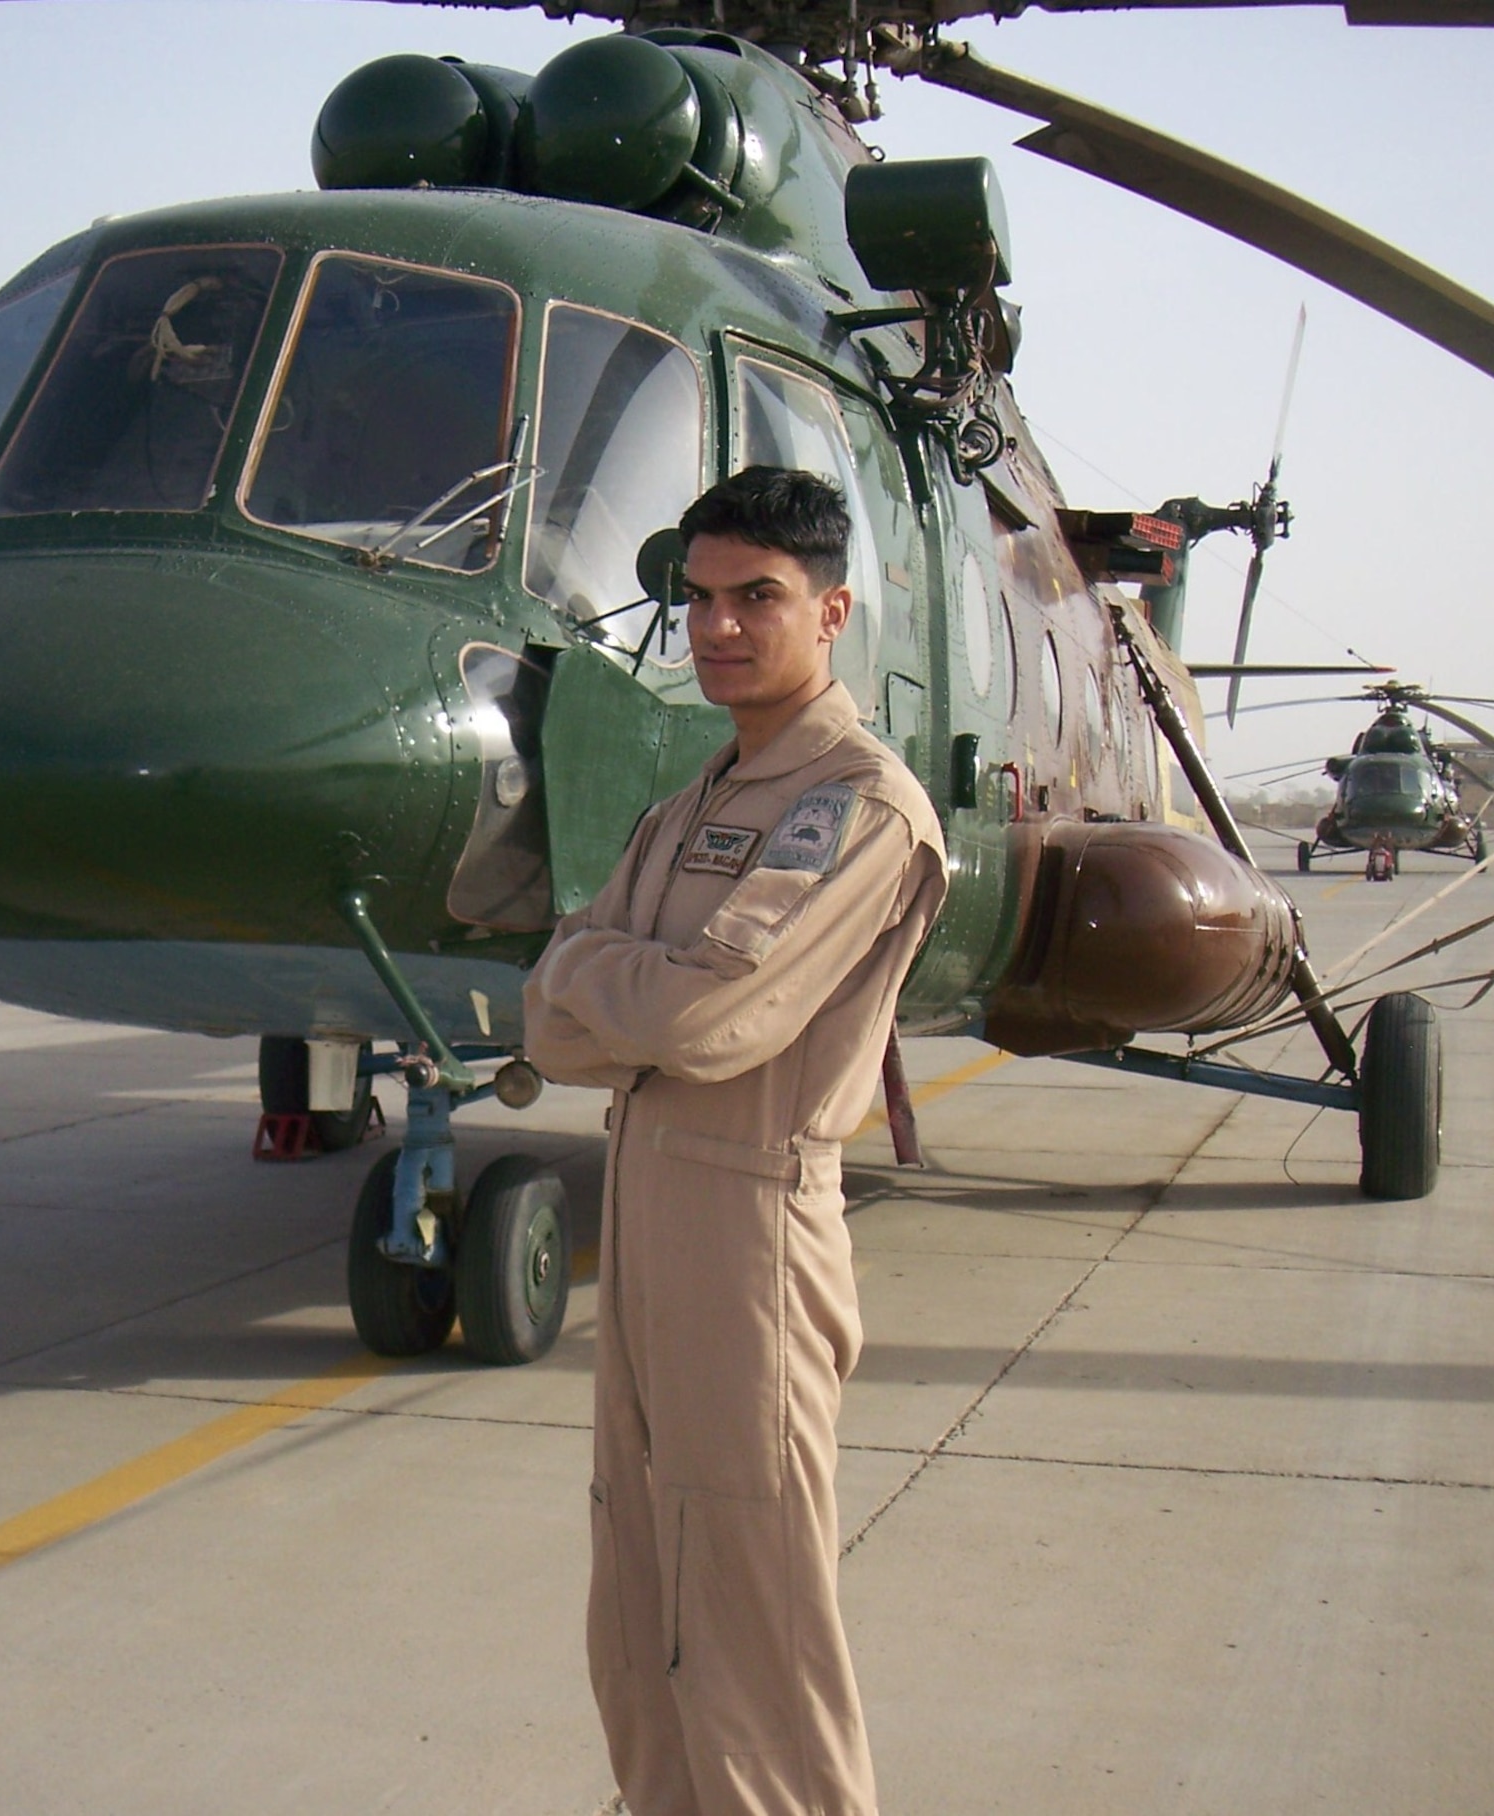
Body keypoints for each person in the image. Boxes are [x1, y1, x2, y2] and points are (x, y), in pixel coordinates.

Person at [523, 467, 947, 1816]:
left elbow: (710, 1024)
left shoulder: (854, 806)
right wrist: (605, 981)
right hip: (653, 1214)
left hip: (749, 1225)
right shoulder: (696, 799)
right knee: (639, 1598)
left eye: (754, 598)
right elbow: (547, 1017)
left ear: (830, 613)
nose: (716, 627)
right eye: (697, 599)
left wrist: (605, 979)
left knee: (753, 1627)